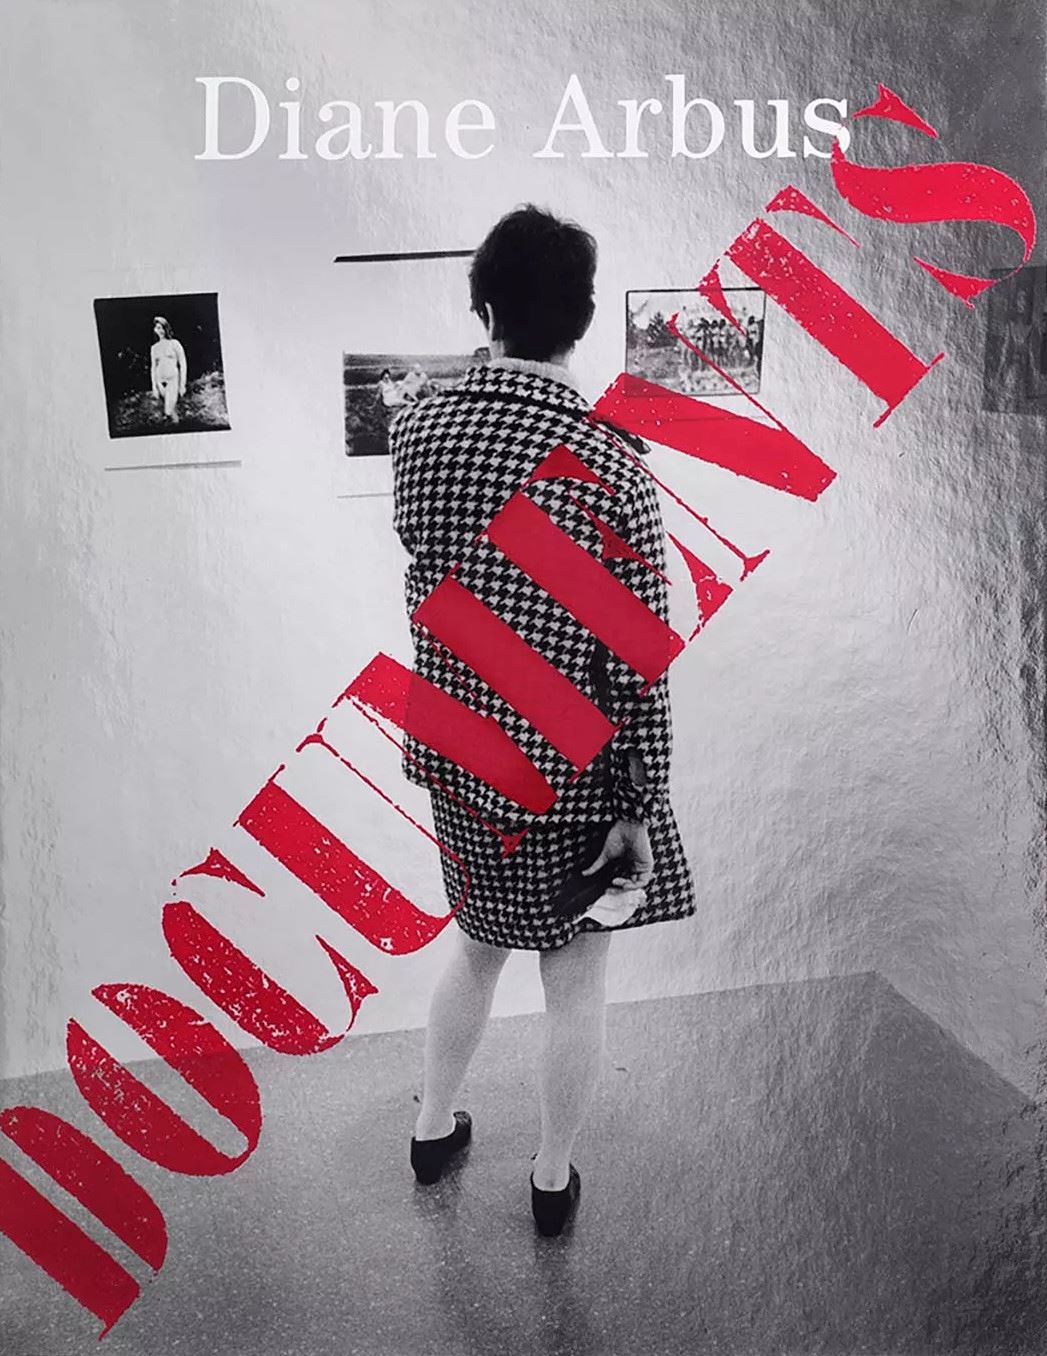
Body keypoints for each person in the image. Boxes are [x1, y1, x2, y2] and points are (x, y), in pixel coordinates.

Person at [389, 205, 696, 1237]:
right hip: (573, 765)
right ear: (583, 320)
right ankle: (552, 1180)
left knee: (476, 943)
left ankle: (432, 1130)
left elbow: (431, 563)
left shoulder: (420, 428)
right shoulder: (610, 459)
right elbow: (636, 661)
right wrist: (640, 803)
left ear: (485, 310)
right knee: (576, 976)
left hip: (462, 746)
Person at [150, 317, 187, 423]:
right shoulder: (154, 348)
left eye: (162, 328)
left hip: (172, 380)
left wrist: (182, 385)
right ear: (155, 330)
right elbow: (153, 368)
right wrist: (154, 387)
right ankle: (178, 427)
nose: (160, 331)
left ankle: (176, 425)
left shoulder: (175, 343)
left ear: (166, 329)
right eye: (158, 328)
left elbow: (183, 364)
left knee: (168, 411)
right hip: (160, 382)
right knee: (171, 410)